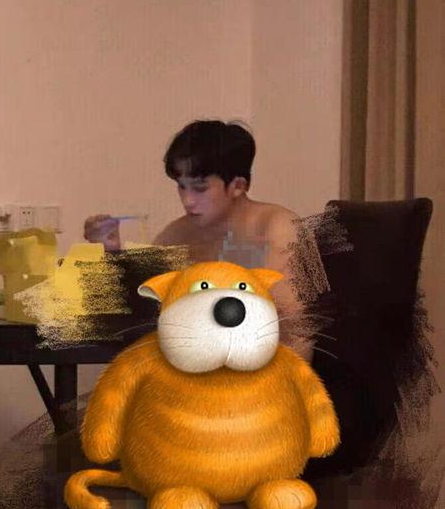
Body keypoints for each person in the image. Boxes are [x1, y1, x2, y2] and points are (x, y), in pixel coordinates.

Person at [84, 120, 321, 361]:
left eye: (200, 188)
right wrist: (111, 253)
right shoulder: (177, 234)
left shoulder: (278, 227)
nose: (187, 200)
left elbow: (294, 329)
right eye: (181, 187)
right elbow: (138, 310)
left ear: (237, 186)